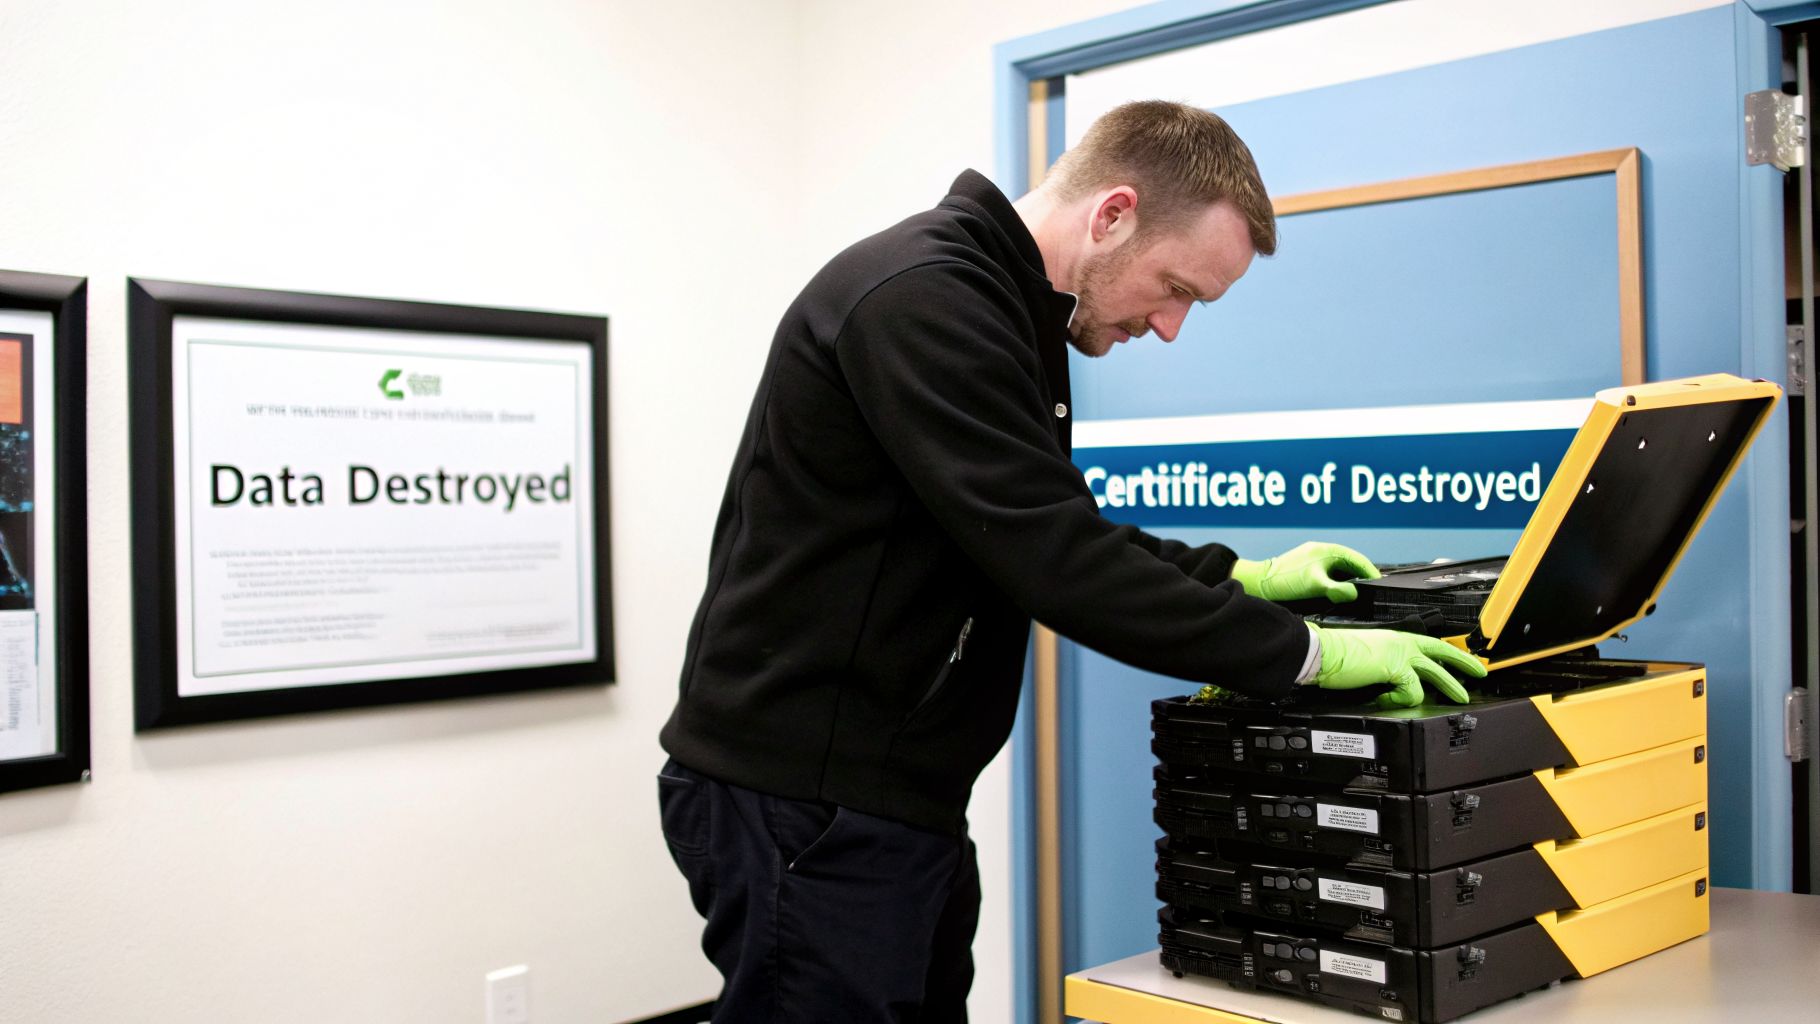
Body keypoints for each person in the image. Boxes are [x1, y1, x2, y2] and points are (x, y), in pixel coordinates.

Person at [656, 100, 1484, 1022]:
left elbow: (1052, 523)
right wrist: (1310, 655)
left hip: (889, 796)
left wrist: (1237, 576)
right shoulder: (922, 298)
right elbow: (1058, 562)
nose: (1170, 328)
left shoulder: (1005, 307)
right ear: (1112, 214)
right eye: (1177, 290)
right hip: (806, 799)